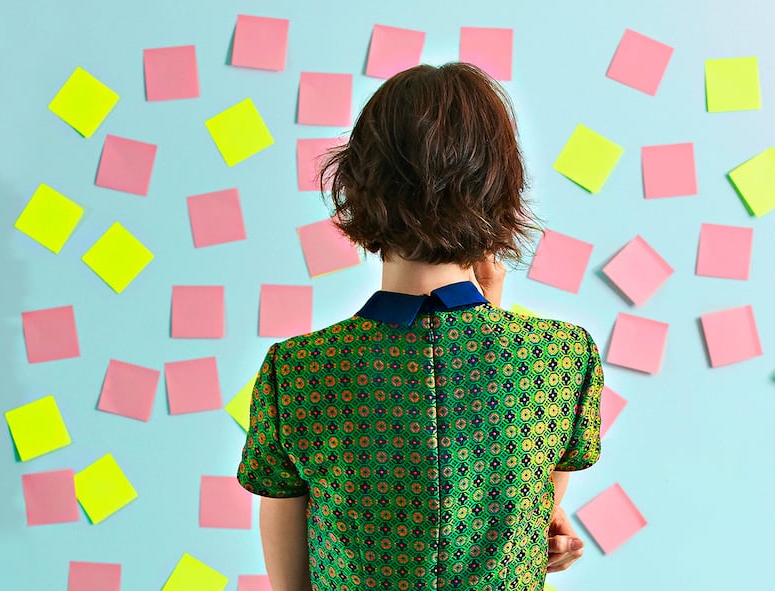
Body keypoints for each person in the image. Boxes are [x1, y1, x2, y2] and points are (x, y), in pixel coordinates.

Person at [237, 62, 603, 591]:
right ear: (499, 189)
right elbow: (534, 510)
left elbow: (290, 569)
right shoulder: (561, 358)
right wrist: (488, 307)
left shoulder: (298, 370)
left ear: (356, 187)